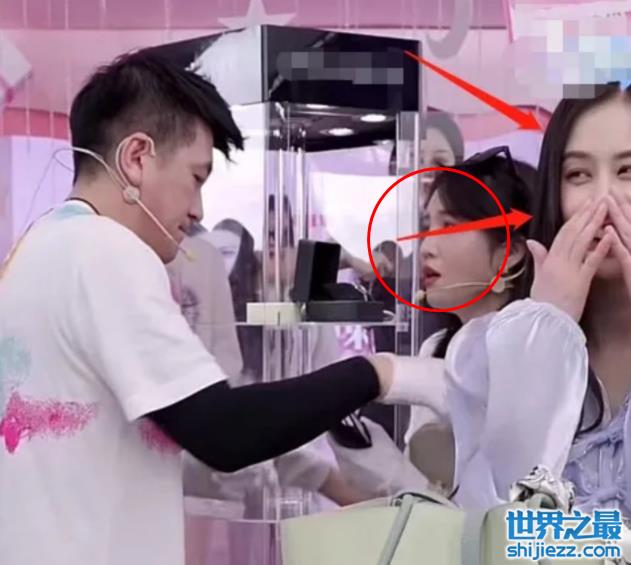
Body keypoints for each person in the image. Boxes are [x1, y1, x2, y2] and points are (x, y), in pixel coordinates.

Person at [0, 50, 415, 565]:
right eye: (196, 178)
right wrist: (377, 373)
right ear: (136, 157)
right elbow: (222, 431)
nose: (198, 210)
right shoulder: (109, 251)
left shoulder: (35, 248)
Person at [447, 82, 631, 515]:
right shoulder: (489, 348)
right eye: (578, 175)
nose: (603, 199)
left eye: (628, 171)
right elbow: (498, 519)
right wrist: (544, 333)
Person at [330, 147, 533, 497]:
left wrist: (391, 476)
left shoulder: (538, 359)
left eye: (449, 226)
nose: (426, 246)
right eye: (427, 226)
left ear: (510, 252)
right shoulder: (435, 348)